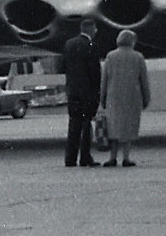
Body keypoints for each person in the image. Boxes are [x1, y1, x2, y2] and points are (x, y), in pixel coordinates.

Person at [99, 29, 150, 167]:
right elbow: (143, 80)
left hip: (113, 96)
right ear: (132, 41)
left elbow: (104, 79)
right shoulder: (138, 57)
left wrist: (102, 98)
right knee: (129, 127)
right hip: (132, 96)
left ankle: (112, 157)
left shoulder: (110, 56)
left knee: (113, 127)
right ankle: (126, 157)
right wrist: (146, 98)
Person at [60, 19, 103, 167]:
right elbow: (94, 72)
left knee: (73, 125)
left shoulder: (69, 44)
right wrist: (98, 90)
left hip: (72, 91)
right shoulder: (90, 45)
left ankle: (70, 158)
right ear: (91, 29)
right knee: (86, 125)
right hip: (87, 92)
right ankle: (85, 157)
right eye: (95, 28)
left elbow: (62, 66)